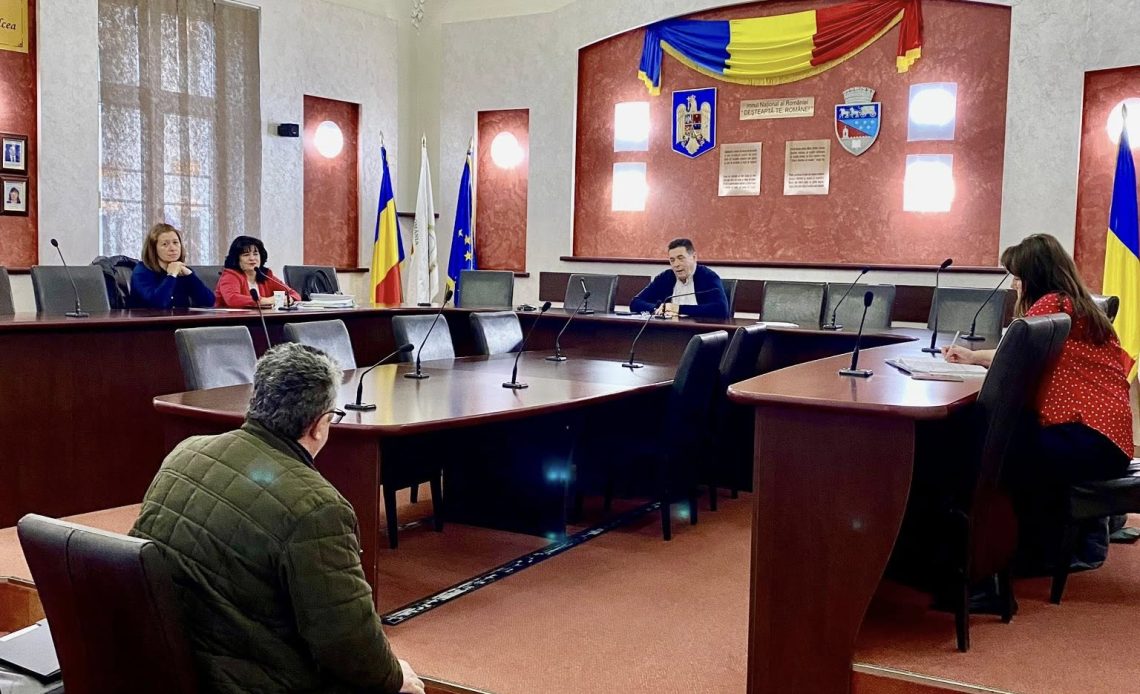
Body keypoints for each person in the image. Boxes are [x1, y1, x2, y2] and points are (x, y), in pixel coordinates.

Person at [131, 343, 425, 694]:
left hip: (159, 665)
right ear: (319, 425)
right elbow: (348, 643)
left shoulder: (185, 454)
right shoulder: (318, 509)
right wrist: (394, 677)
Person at [943, 233, 1133, 571]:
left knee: (988, 448)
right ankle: (1072, 535)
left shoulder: (1049, 306)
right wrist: (973, 357)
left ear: (1035, 277)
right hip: (1108, 439)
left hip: (1084, 438)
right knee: (1010, 435)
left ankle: (1010, 553)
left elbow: (1013, 359)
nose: (1014, 285)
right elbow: (1020, 355)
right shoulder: (1080, 306)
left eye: (1018, 277)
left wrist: (976, 360)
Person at [629, 238, 730, 318]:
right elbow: (635, 303)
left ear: (694, 257)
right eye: (672, 260)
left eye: (681, 259)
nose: (676, 264)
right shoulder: (665, 278)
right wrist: (660, 308)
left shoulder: (708, 277)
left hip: (700, 331)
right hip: (669, 331)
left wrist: (677, 309)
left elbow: (721, 309)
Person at [129, 223, 216, 309]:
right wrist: (171, 276)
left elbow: (209, 302)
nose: (172, 248)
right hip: (149, 318)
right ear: (153, 249)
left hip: (179, 318)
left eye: (175, 242)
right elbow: (158, 304)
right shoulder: (141, 271)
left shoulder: (183, 271)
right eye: (165, 244)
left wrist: (190, 275)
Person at [215, 235, 301, 308]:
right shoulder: (230, 275)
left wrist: (289, 299)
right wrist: (266, 300)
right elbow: (232, 299)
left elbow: (294, 294)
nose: (252, 258)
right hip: (232, 320)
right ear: (236, 259)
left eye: (255, 254)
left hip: (262, 318)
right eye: (246, 255)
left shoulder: (266, 275)